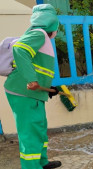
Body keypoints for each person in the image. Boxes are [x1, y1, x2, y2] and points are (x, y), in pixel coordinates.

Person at [4, 4, 62, 169]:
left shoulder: (40, 36)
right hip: (23, 92)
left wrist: (49, 89)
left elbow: (39, 67)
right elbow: (20, 49)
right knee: (29, 133)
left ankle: (41, 162)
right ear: (52, 22)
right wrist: (31, 79)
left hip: (34, 94)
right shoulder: (39, 34)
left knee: (39, 128)